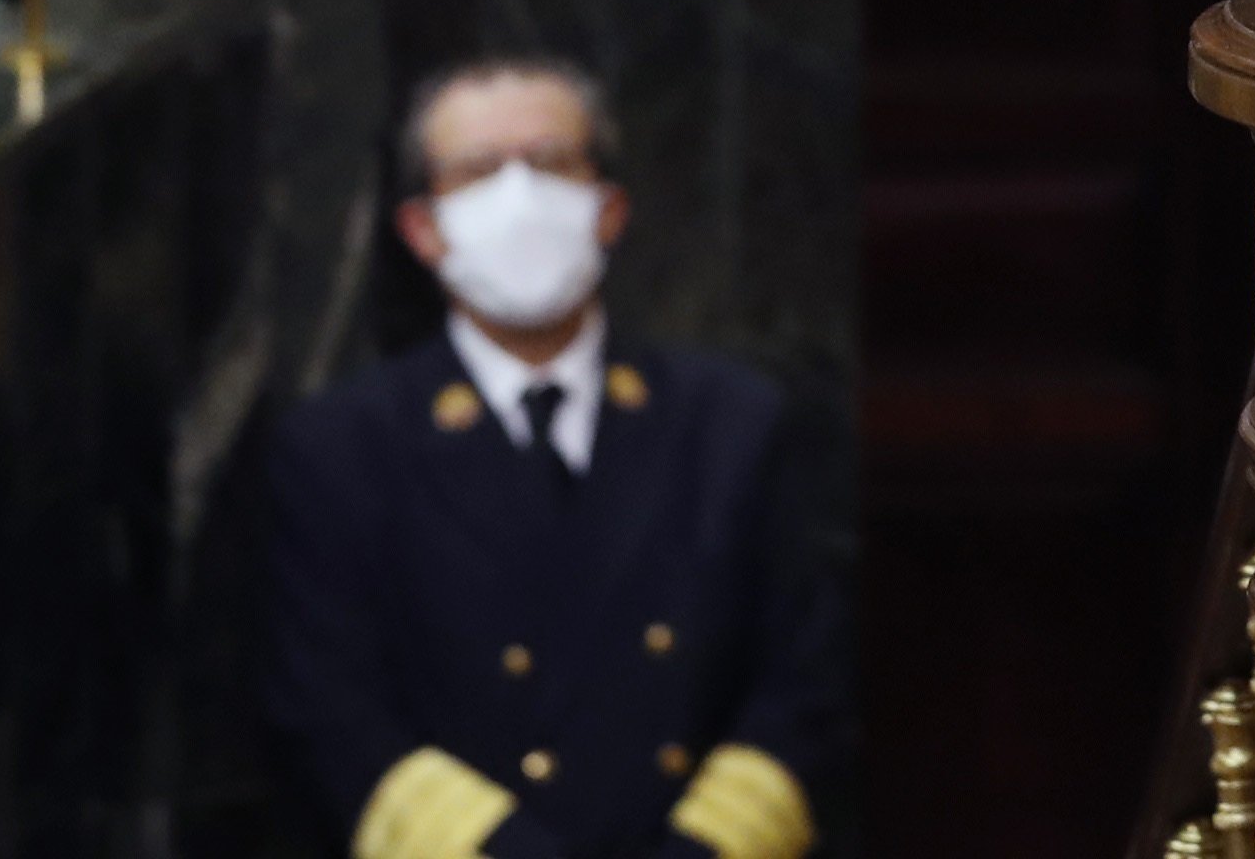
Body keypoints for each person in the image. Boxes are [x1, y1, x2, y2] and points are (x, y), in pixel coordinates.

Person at [264, 59, 840, 859]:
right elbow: (331, 707)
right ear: (422, 230)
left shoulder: (734, 422)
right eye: (477, 171)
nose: (520, 198)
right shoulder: (342, 445)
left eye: (551, 162)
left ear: (608, 210)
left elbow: (805, 680)